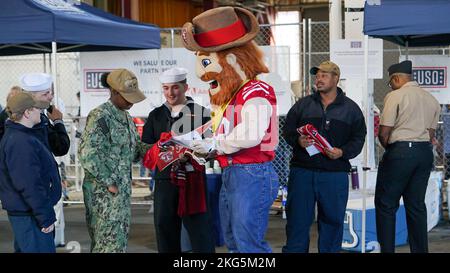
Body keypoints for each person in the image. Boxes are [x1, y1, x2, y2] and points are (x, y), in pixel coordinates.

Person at [182, 7, 279, 253]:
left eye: (207, 62)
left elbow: (251, 133)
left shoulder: (256, 91)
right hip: (234, 172)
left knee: (248, 243)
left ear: (233, 60)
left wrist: (214, 145)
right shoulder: (234, 95)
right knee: (234, 240)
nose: (202, 74)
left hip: (251, 173)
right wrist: (209, 147)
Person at [282, 61, 367, 253]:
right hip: (302, 173)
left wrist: (342, 152)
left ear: (336, 78)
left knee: (332, 223)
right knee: (297, 222)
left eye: (324, 75)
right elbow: (287, 131)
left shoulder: (351, 109)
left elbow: (358, 138)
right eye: (317, 75)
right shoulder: (303, 105)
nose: (318, 79)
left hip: (334, 175)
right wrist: (298, 141)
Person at [142, 67, 215, 253]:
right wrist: (165, 151)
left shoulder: (202, 114)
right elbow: (146, 148)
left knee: (200, 230)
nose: (170, 93)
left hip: (193, 181)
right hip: (165, 179)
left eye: (175, 87)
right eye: (166, 88)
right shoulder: (155, 115)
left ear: (185, 87)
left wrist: (195, 153)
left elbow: (212, 146)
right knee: (164, 228)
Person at [78, 68, 150, 253]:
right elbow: (88, 154)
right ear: (114, 92)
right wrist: (109, 183)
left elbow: (133, 151)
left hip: (120, 196)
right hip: (104, 197)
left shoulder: (126, 117)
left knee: (117, 244)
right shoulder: (101, 116)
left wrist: (157, 149)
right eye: (127, 96)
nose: (131, 102)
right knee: (107, 246)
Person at [375, 60, 440, 253]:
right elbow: (430, 134)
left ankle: (387, 250)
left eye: (390, 82)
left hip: (401, 151)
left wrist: (393, 149)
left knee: (386, 205)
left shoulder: (395, 96)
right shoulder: (431, 99)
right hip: (424, 153)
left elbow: (384, 131)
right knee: (416, 206)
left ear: (396, 78)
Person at [0, 92, 61, 253]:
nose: (40, 112)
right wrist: (45, 217)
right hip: (30, 215)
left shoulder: (19, 136)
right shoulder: (20, 142)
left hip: (29, 213)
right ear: (27, 112)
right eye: (36, 109)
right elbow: (29, 185)